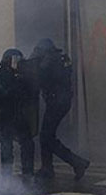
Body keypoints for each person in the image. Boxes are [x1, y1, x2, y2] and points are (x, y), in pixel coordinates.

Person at [31, 39, 89, 181]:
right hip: (61, 101)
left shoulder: (48, 61)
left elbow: (39, 78)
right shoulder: (60, 59)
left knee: (46, 137)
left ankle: (76, 162)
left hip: (56, 102)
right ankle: (48, 169)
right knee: (46, 136)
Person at [0, 48, 37, 178]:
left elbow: (31, 93)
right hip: (6, 113)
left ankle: (28, 172)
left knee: (26, 144)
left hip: (20, 114)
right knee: (7, 146)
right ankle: (7, 175)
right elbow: (2, 93)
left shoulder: (25, 75)